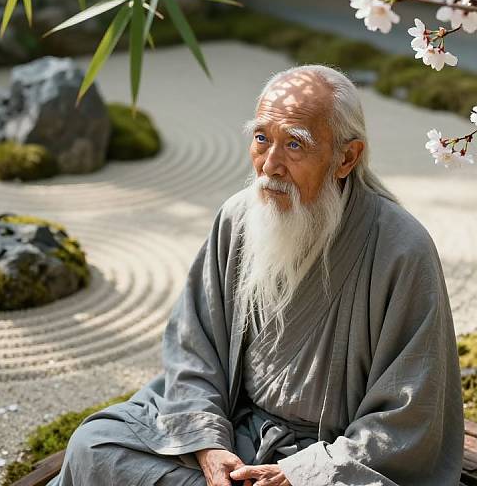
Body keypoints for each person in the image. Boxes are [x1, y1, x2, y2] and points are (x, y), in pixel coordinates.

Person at [47, 64, 464, 486]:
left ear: (346, 157)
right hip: (234, 428)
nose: (270, 165)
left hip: (331, 459)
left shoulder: (401, 248)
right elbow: (195, 347)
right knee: (94, 445)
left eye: (295, 145)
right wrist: (209, 444)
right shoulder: (239, 218)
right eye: (262, 139)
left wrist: (299, 473)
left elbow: (409, 414)